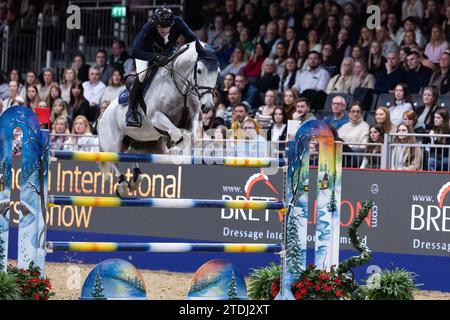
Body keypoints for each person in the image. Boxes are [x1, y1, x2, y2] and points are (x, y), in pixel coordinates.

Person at [127, 7, 198, 127]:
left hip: (167, 53)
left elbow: (193, 39)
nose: (163, 29)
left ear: (172, 23)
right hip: (145, 54)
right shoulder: (148, 27)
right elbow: (135, 51)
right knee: (142, 75)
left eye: (166, 26)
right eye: (160, 26)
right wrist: (156, 57)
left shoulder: (178, 22)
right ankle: (131, 111)